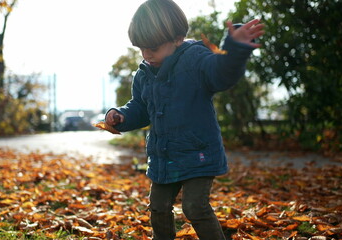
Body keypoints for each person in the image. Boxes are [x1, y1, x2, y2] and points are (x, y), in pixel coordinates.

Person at [105, 0, 264, 239]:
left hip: (197, 153)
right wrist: (121, 115)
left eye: (153, 48)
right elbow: (140, 106)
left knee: (194, 207)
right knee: (158, 207)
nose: (146, 55)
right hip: (164, 157)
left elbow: (221, 74)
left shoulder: (195, 60)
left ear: (177, 38)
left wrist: (234, 49)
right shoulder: (144, 73)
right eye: (141, 48)